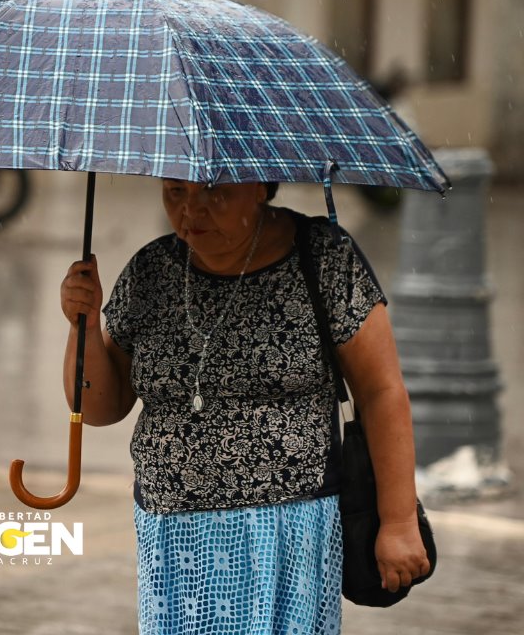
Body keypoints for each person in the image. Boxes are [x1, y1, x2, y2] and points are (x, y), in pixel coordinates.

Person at [59, 179, 431, 634]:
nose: (191, 212)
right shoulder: (151, 270)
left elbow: (381, 392)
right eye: (175, 192)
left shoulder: (324, 258)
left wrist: (398, 521)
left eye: (214, 192)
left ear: (259, 185)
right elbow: (99, 407)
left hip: (288, 533)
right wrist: (83, 324)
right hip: (174, 538)